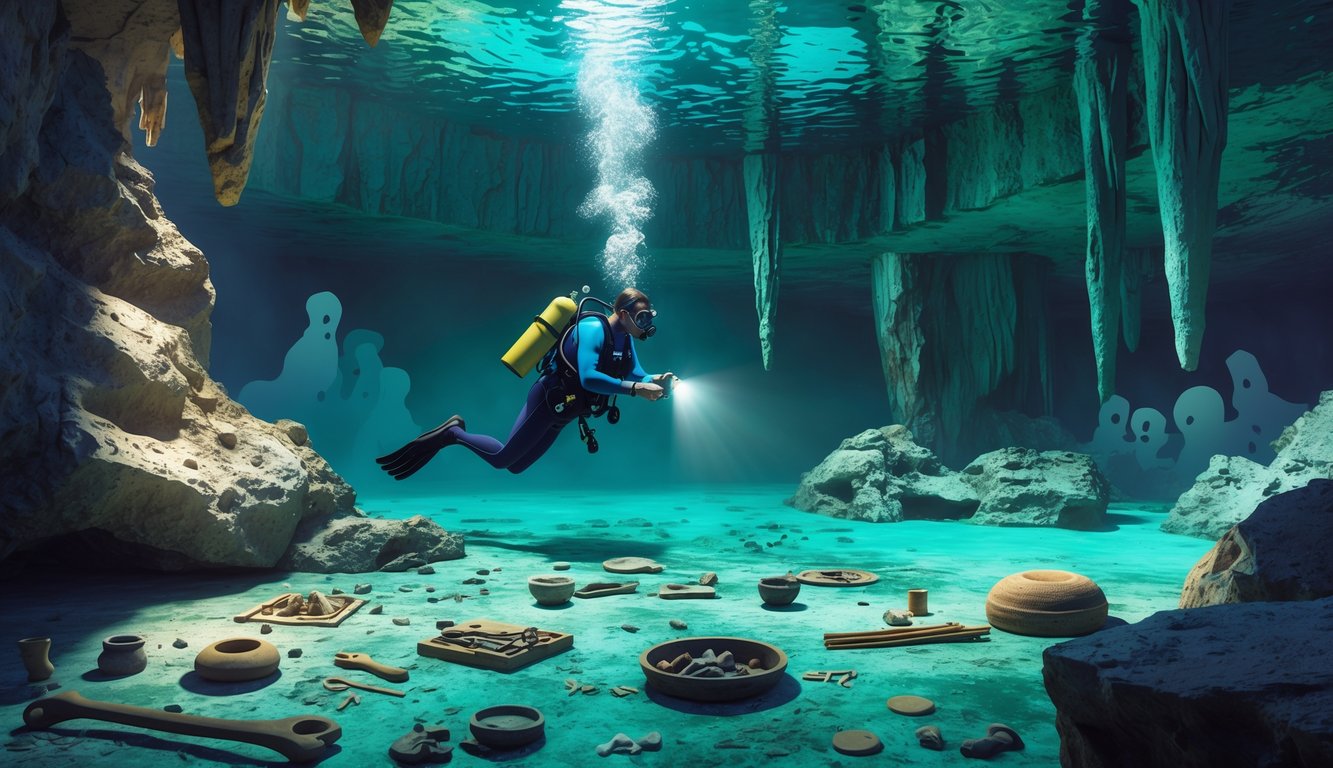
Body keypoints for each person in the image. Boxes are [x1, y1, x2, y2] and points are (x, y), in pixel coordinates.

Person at [376, 288, 675, 479]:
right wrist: (636, 390)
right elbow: (588, 377)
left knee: (517, 466)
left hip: (567, 412)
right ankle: (453, 432)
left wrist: (654, 380)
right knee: (502, 459)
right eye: (643, 317)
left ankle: (454, 433)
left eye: (649, 317)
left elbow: (635, 372)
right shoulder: (593, 330)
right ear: (623, 314)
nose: (648, 325)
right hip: (549, 401)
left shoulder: (625, 338)